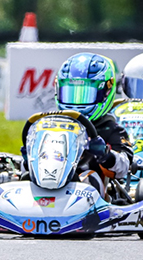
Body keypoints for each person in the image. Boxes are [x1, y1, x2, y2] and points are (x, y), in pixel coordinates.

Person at [51, 52, 132, 194]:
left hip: (88, 192)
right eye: (71, 93)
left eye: (85, 94)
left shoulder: (110, 128)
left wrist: (105, 154)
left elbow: (125, 167)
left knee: (88, 178)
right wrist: (28, 159)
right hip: (50, 180)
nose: (77, 103)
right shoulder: (52, 125)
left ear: (105, 93)